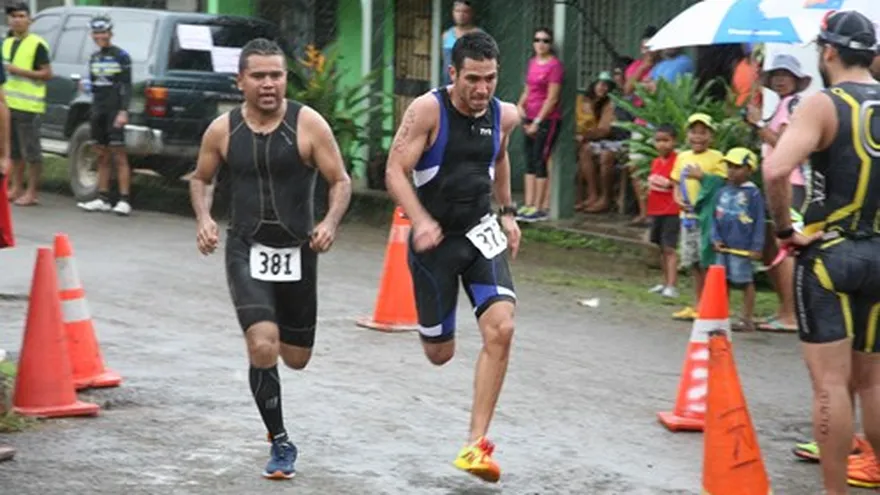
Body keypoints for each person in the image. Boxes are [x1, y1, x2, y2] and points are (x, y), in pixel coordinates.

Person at [188, 38, 352, 481]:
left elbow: (340, 180)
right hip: (246, 248)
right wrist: (204, 218)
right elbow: (201, 179)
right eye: (258, 75)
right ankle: (280, 440)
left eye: (276, 75)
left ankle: (275, 367)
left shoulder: (308, 124)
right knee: (262, 343)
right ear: (240, 80)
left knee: (296, 357)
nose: (268, 84)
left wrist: (330, 223)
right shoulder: (223, 130)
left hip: (299, 251)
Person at [384, 30, 521, 484]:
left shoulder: (504, 115)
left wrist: (508, 212)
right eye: (472, 79)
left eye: (490, 78)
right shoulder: (428, 110)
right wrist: (420, 219)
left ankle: (475, 445)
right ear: (452, 74)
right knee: (439, 353)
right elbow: (394, 170)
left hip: (481, 234)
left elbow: (500, 157)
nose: (482, 89)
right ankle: (442, 326)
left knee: (502, 328)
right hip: (435, 244)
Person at [762, 11, 880, 494]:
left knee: (830, 384)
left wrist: (785, 229)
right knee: (872, 381)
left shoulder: (823, 105)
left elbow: (775, 171)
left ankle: (835, 491)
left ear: (827, 52)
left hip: (831, 256)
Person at [669, 113, 726, 321]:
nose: (698, 137)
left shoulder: (717, 157)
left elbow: (722, 183)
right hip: (687, 216)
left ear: (711, 136)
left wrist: (702, 177)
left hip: (708, 218)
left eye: (703, 133)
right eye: (694, 132)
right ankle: (698, 303)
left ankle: (708, 304)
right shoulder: (682, 157)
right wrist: (678, 199)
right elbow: (675, 182)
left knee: (706, 261)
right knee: (692, 260)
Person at [76, 14, 134, 216]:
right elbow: (95, 85)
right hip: (98, 110)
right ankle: (103, 197)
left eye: (103, 32)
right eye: (96, 33)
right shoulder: (95, 57)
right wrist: (86, 86)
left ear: (110, 33)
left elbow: (126, 86)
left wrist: (123, 111)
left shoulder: (122, 56)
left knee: (119, 154)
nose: (99, 36)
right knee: (101, 154)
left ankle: (125, 199)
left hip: (114, 110)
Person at [710, 148, 765, 332]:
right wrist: (715, 238)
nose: (732, 171)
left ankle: (746, 318)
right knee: (722, 281)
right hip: (723, 246)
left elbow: (759, 222)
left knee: (744, 281)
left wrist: (757, 246)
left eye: (737, 167)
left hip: (742, 247)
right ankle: (721, 316)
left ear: (749, 169)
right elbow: (714, 218)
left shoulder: (754, 194)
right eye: (729, 166)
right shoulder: (722, 192)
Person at [3, 1, 51, 207]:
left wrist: (19, 71)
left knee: (32, 152)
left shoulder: (37, 44)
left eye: (21, 16)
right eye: (14, 16)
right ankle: (16, 188)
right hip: (8, 104)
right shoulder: (6, 42)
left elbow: (47, 73)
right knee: (13, 151)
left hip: (29, 106)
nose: (17, 20)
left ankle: (32, 192)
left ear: (30, 20)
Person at [515, 27, 563, 222]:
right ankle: (528, 203)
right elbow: (528, 90)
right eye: (537, 40)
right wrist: (519, 106)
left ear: (550, 44)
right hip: (529, 116)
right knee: (528, 159)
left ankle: (539, 207)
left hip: (546, 119)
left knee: (540, 159)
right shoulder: (532, 63)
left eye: (545, 40)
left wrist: (537, 121)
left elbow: (552, 98)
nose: (541, 44)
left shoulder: (555, 66)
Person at [645, 124, 680, 298]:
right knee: (660, 246)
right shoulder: (656, 162)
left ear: (674, 141)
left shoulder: (678, 161)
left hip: (672, 210)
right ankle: (664, 281)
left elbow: (678, 184)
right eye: (658, 140)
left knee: (670, 248)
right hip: (656, 209)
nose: (662, 145)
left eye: (666, 140)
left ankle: (672, 285)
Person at [441, 0, 481, 86]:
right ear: (453, 12)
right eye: (457, 11)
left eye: (465, 11)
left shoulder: (478, 35)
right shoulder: (446, 35)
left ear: (471, 13)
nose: (461, 15)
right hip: (449, 85)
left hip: (470, 83)